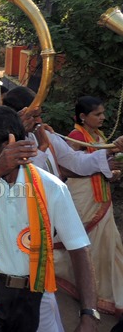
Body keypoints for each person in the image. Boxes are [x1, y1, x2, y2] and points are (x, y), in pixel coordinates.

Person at [0, 106, 99, 332]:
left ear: (8, 145)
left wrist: (89, 314)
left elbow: (78, 247)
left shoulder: (51, 186)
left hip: (32, 296)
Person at [54, 96, 123, 316]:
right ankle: (91, 291)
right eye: (97, 114)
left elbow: (103, 166)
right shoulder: (75, 137)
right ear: (83, 117)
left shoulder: (99, 136)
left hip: (102, 196)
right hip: (83, 197)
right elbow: (70, 166)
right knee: (85, 243)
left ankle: (109, 292)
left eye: (103, 113)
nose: (102, 118)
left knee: (110, 243)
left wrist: (113, 173)